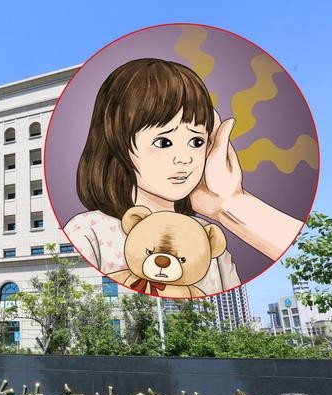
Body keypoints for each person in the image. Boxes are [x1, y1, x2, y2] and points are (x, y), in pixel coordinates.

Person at [64, 58, 302, 295]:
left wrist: (229, 202)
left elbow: (311, 256)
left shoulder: (207, 238)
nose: (185, 158)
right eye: (163, 142)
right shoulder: (89, 231)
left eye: (196, 141)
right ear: (116, 141)